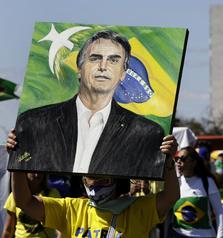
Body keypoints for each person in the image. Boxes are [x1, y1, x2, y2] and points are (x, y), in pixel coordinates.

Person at [8, 30, 165, 178]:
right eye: (95, 58)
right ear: (79, 68)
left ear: (123, 74)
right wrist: (16, 153)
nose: (103, 67)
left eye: (113, 60)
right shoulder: (34, 123)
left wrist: (168, 163)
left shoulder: (146, 133)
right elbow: (24, 178)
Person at [6, 130, 179, 237]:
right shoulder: (71, 209)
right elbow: (24, 202)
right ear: (82, 179)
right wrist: (17, 162)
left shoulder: (137, 210)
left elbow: (171, 196)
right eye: (90, 177)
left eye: (103, 179)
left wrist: (169, 161)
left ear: (117, 181)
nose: (95, 184)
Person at [170, 147, 223, 238]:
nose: (178, 162)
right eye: (176, 159)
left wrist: (220, 236)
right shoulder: (175, 183)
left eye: (183, 159)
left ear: (193, 162)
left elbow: (219, 212)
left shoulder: (207, 182)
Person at [2, 173, 61, 238]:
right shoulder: (15, 196)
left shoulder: (53, 194)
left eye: (40, 171)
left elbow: (60, 225)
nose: (37, 175)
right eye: (33, 171)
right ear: (24, 173)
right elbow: (9, 229)